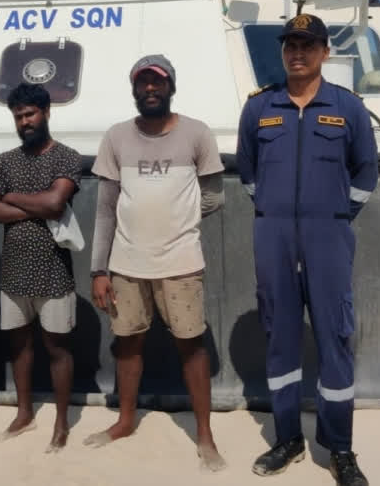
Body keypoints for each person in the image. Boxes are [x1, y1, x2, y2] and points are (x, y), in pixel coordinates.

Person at [235, 13, 378, 485]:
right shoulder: (260, 108)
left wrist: (333, 216)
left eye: (307, 45)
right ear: (283, 51)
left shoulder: (348, 108)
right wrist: (278, 214)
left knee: (335, 338)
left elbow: (366, 173)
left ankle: (339, 448)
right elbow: (249, 174)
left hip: (328, 237)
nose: (297, 53)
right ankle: (287, 437)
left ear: (324, 52)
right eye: (290, 45)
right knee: (280, 337)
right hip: (272, 234)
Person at [85, 54, 228, 472]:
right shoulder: (115, 137)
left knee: (192, 347)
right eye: (142, 82)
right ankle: (125, 421)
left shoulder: (198, 134)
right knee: (128, 345)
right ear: (134, 89)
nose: (150, 88)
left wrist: (178, 220)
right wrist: (98, 269)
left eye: (157, 81)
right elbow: (106, 209)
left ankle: (205, 436)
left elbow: (215, 197)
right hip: (126, 265)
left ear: (171, 87)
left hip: (181, 263)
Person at [0, 83, 82, 453]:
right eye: (18, 116)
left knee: (58, 349)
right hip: (13, 274)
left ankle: (60, 423)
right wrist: (34, 205)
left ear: (46, 112)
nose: (24, 121)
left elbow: (56, 202)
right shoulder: (4, 161)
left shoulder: (67, 157)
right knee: (19, 347)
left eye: (30, 113)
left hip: (54, 273)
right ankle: (24, 413)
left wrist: (10, 196)